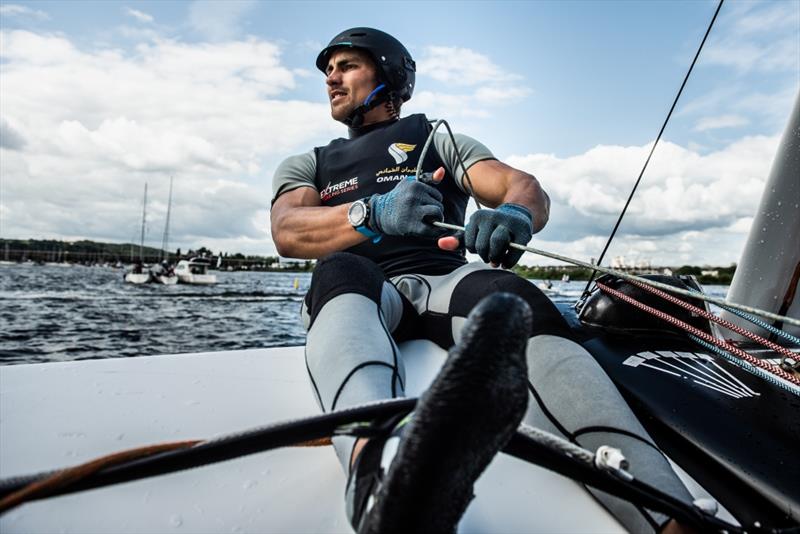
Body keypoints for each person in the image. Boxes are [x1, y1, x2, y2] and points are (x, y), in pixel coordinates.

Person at [271, 27, 693, 533]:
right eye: (327, 71)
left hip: (442, 278)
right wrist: (371, 212)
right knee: (338, 270)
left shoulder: (439, 140)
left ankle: (668, 513)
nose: (331, 79)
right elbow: (288, 230)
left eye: (346, 66)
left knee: (511, 297)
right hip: (362, 286)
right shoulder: (310, 163)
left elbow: (522, 186)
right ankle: (378, 479)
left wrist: (515, 214)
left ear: (387, 77)